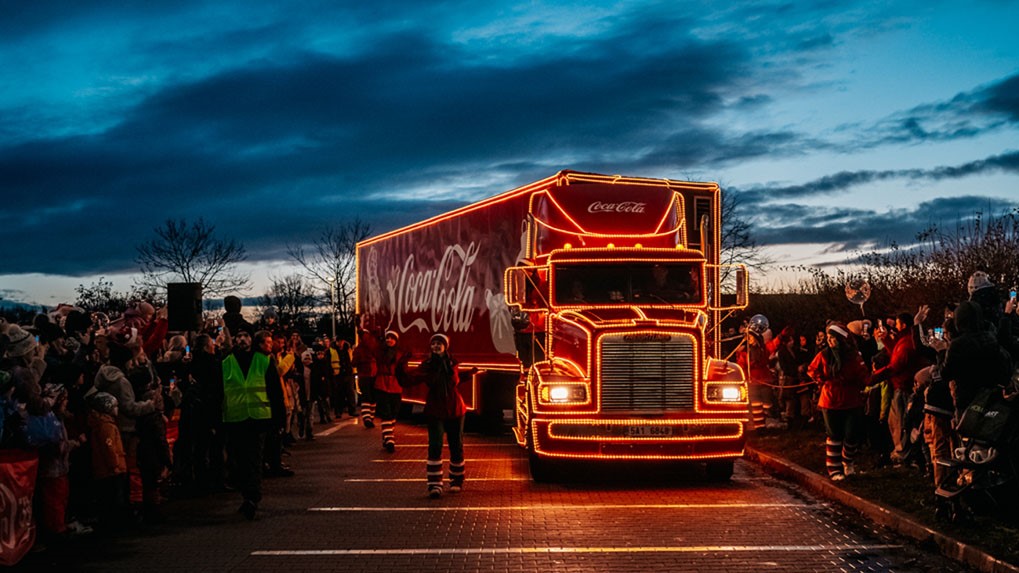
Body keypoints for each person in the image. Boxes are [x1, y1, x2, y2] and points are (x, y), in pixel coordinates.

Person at [221, 329, 286, 520]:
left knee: (254, 459)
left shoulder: (263, 360)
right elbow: (219, 391)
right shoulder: (226, 362)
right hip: (235, 418)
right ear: (234, 339)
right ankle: (247, 494)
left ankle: (252, 497)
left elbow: (275, 392)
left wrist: (278, 419)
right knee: (237, 460)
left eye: (246, 336)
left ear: (252, 340)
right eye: (239, 336)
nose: (242, 339)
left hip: (258, 419)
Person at [404, 333, 467, 498]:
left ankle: (456, 481)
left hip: (455, 408)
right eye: (433, 344)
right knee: (435, 445)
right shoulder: (427, 365)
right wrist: (401, 365)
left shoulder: (453, 363)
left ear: (446, 346)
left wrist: (470, 374)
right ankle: (434, 485)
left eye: (439, 343)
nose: (436, 346)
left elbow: (454, 381)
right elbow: (411, 379)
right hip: (435, 409)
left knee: (456, 445)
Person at [808, 322, 870, 481]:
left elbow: (863, 375)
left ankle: (848, 462)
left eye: (832, 338)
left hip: (851, 399)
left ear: (841, 339)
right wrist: (820, 379)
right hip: (830, 400)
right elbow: (812, 370)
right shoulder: (824, 355)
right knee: (834, 435)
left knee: (851, 435)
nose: (829, 341)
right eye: (828, 338)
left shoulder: (853, 357)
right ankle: (834, 469)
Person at [375, 331, 410, 453]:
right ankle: (390, 440)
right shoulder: (380, 352)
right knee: (386, 414)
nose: (389, 340)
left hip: (395, 385)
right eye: (387, 338)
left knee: (394, 414)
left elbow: (404, 371)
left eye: (392, 338)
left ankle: (387, 435)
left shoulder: (400, 354)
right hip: (382, 384)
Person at [353, 329, 379, 428]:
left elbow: (353, 363)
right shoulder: (373, 347)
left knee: (368, 397)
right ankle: (369, 417)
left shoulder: (359, 349)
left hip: (365, 376)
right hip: (370, 375)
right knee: (370, 398)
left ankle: (368, 417)